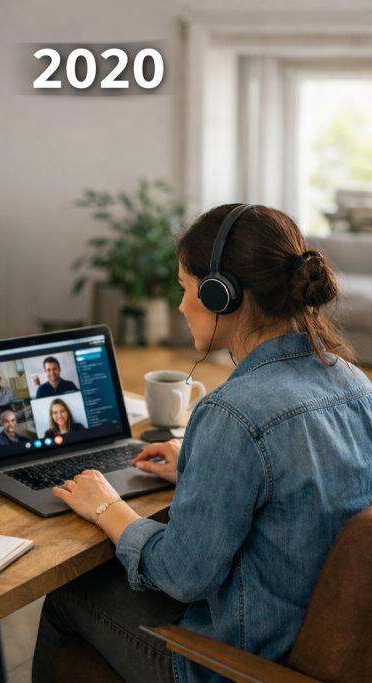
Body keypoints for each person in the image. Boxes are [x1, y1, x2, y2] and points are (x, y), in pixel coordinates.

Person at [32, 204, 372, 683]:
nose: (180, 306)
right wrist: (199, 468)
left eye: (184, 288)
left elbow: (183, 575)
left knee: (68, 595)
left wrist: (109, 508)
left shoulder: (233, 414)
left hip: (243, 663)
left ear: (221, 294)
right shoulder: (356, 382)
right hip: (325, 644)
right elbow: (302, 491)